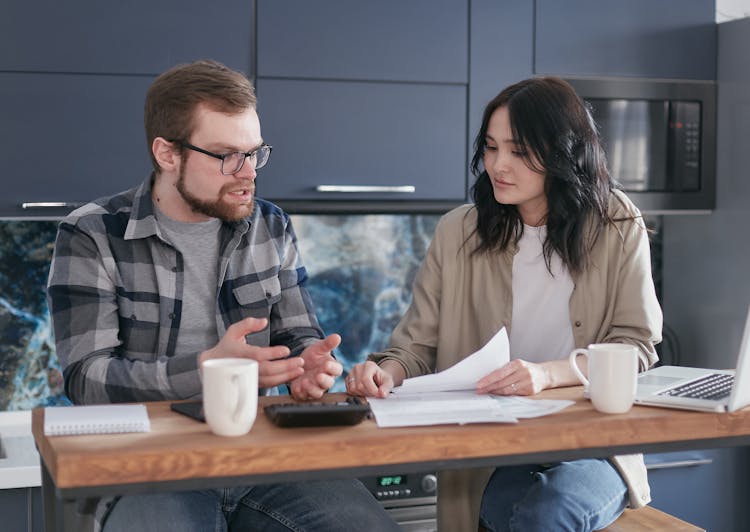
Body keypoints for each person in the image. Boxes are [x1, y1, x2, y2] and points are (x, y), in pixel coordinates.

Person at [47, 59, 399, 532]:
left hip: (266, 458)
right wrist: (207, 372)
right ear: (168, 154)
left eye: (255, 153)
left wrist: (307, 369)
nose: (248, 172)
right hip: (150, 467)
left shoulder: (270, 225)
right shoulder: (92, 233)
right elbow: (86, 380)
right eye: (227, 156)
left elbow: (299, 334)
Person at [346, 76, 663, 532]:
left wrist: (546, 374)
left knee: (550, 511)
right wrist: (384, 373)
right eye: (491, 148)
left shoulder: (617, 223)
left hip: (591, 442)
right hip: (494, 450)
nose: (498, 164)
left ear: (561, 152)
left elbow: (636, 346)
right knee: (520, 516)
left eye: (518, 150)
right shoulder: (459, 232)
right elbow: (415, 347)